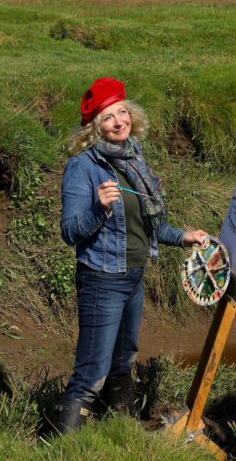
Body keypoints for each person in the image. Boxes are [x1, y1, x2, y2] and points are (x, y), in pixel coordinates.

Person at [49, 77, 209, 436]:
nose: (118, 121)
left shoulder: (132, 159)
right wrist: (99, 208)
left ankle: (124, 431)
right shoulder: (83, 167)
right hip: (102, 280)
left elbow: (149, 226)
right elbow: (70, 231)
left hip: (133, 276)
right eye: (108, 117)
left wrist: (184, 236)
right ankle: (59, 447)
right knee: (93, 369)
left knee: (123, 361)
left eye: (122, 112)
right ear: (94, 129)